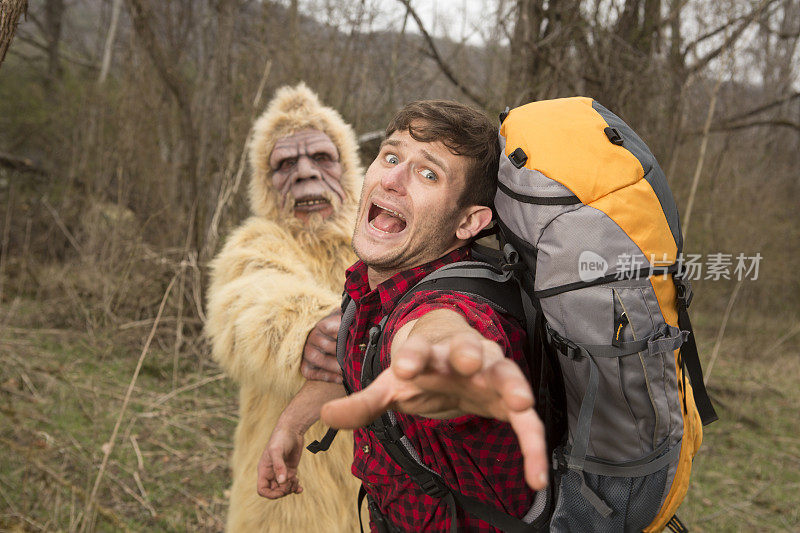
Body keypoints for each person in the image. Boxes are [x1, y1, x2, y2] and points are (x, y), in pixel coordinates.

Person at [256, 100, 548, 531]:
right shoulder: (372, 285)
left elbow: (440, 329)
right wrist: (291, 426)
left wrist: (448, 360)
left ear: (468, 222)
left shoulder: (452, 305)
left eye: (428, 173)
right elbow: (353, 363)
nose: (392, 180)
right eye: (391, 157)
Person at [205, 83, 363, 532]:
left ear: (348, 169)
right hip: (290, 495)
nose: (305, 174)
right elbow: (250, 299)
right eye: (285, 163)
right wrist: (308, 330)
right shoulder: (256, 242)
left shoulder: (384, 239)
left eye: (322, 159)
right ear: (265, 182)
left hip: (386, 488)